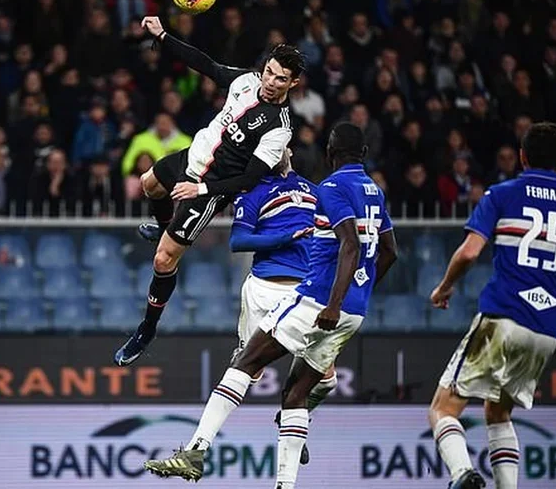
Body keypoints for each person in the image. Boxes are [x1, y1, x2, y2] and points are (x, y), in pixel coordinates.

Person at [143, 124, 398, 487]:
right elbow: (387, 252)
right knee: (283, 386)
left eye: (283, 147)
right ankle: (273, 474)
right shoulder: (367, 191)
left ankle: (201, 450)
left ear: (321, 152)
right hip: (315, 300)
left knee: (264, 368)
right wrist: (355, 290)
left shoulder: (323, 188)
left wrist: (336, 299)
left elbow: (350, 246)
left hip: (316, 297)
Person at [114, 16, 304, 366]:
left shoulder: (279, 128)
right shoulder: (247, 81)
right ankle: (164, 225)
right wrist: (163, 36)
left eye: (280, 78)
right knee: (148, 183)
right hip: (193, 157)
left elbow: (248, 180)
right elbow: (206, 65)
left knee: (163, 259)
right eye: (269, 72)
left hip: (211, 186)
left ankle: (146, 328)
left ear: (293, 83)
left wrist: (199, 188)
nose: (270, 82)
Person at [428, 122, 556, 489]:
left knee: (443, 408)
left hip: (504, 316)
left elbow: (470, 252)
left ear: (522, 157)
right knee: (498, 412)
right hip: (547, 329)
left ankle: (462, 473)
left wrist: (445, 287)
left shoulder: (503, 194)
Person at [230, 149, 337, 466]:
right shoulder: (252, 190)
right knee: (249, 370)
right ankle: (203, 438)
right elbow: (238, 241)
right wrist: (285, 237)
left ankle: (291, 417)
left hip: (305, 291)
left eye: (281, 144)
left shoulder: (313, 190)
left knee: (327, 380)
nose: (278, 149)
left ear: (289, 150)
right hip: (265, 285)